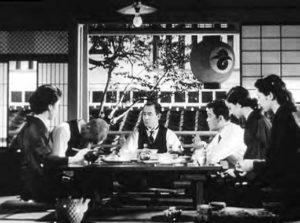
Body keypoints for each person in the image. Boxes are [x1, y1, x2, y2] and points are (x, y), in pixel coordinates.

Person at [14, 85, 89, 203]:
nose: (57, 109)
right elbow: (45, 159)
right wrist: (74, 159)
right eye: (57, 106)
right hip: (38, 185)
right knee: (85, 188)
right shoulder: (35, 128)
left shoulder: (35, 125)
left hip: (39, 180)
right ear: (50, 107)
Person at [238, 74, 300, 215]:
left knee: (241, 194)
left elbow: (279, 164)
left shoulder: (282, 119)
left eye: (260, 97)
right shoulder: (289, 113)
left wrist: (252, 164)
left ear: (270, 96)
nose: (258, 102)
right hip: (292, 179)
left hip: (289, 186)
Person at [117, 100, 182, 190]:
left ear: (158, 116)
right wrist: (138, 154)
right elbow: (124, 153)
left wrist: (159, 157)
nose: (146, 118)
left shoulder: (168, 133)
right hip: (140, 175)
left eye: (149, 114)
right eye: (144, 114)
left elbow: (177, 154)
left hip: (162, 175)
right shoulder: (137, 133)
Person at [225, 86, 272, 173]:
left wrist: (239, 169)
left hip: (261, 172)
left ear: (238, 105)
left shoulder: (255, 122)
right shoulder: (256, 118)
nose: (230, 112)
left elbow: (257, 155)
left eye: (230, 108)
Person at [194, 99, 246, 167]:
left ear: (220, 118)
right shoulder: (221, 133)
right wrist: (203, 147)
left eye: (209, 116)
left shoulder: (234, 132)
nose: (207, 119)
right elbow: (207, 157)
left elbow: (214, 158)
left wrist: (203, 148)